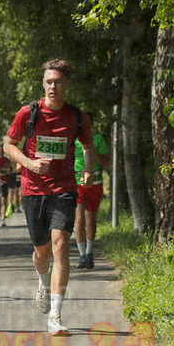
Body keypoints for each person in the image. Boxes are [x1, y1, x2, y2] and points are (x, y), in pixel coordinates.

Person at [3, 58, 95, 336]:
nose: (53, 87)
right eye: (48, 82)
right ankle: (43, 283)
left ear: (67, 84)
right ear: (43, 84)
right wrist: (29, 164)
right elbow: (8, 145)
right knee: (42, 254)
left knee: (60, 246)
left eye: (58, 82)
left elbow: (87, 145)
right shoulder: (28, 113)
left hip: (64, 189)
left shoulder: (77, 116)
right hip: (33, 190)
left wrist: (87, 169)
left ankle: (55, 315)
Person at [75, 112, 110, 270]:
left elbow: (105, 163)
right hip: (76, 182)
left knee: (90, 219)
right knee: (79, 219)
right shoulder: (72, 139)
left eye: (87, 122)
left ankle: (89, 253)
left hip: (94, 182)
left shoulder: (98, 139)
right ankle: (82, 255)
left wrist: (92, 150)